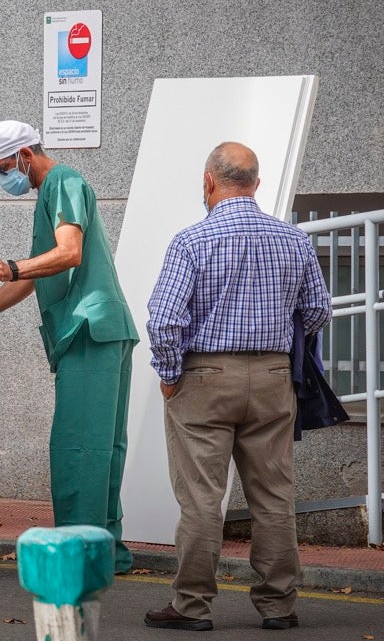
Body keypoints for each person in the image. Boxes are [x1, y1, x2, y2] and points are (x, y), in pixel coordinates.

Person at [143, 142, 331, 632]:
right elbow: (318, 311)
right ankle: (278, 606)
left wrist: (169, 375)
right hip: (271, 378)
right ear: (257, 184)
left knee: (203, 498)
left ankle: (192, 607)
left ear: (209, 182)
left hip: (205, 378)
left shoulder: (191, 241)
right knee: (273, 496)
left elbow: (164, 321)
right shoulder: (294, 240)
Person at [0, 120, 140, 574]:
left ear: (26, 154)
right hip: (104, 330)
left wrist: (10, 266)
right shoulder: (51, 193)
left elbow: (69, 253)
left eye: (2, 167)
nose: (1, 177)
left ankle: (78, 556)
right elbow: (30, 277)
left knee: (78, 445)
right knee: (104, 446)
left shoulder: (63, 180)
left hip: (89, 329)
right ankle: (106, 550)